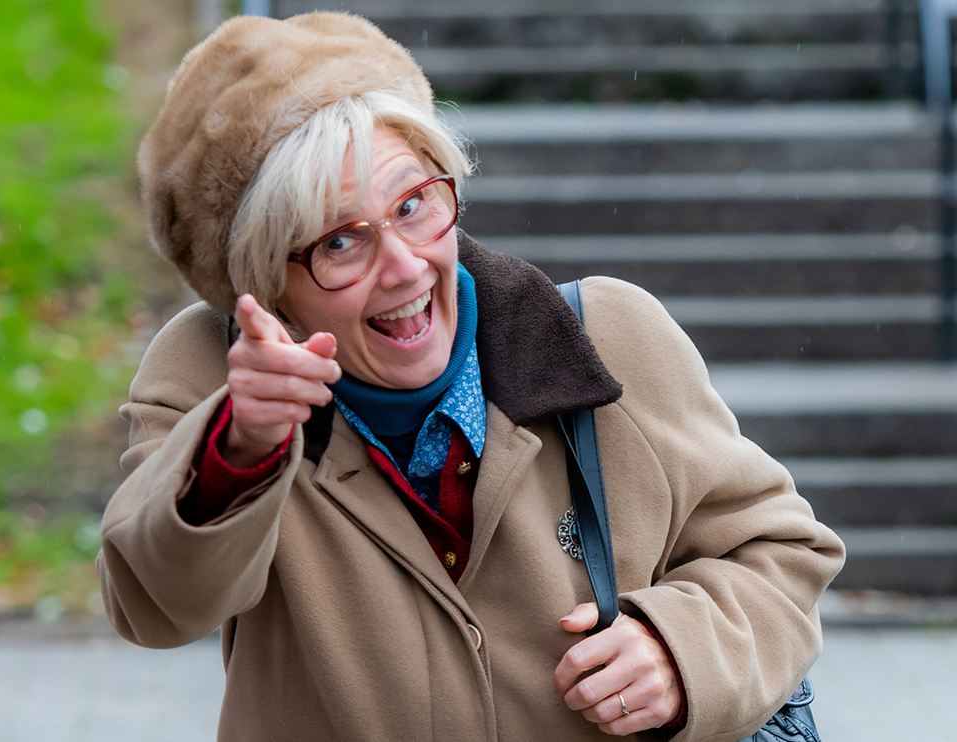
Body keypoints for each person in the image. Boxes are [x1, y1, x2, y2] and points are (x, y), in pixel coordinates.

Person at [97, 11, 845, 742]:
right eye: (341, 241)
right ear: (266, 281)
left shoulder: (613, 335)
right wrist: (244, 447)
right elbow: (157, 610)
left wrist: (681, 652)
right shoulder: (208, 378)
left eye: (414, 203)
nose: (403, 266)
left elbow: (780, 554)